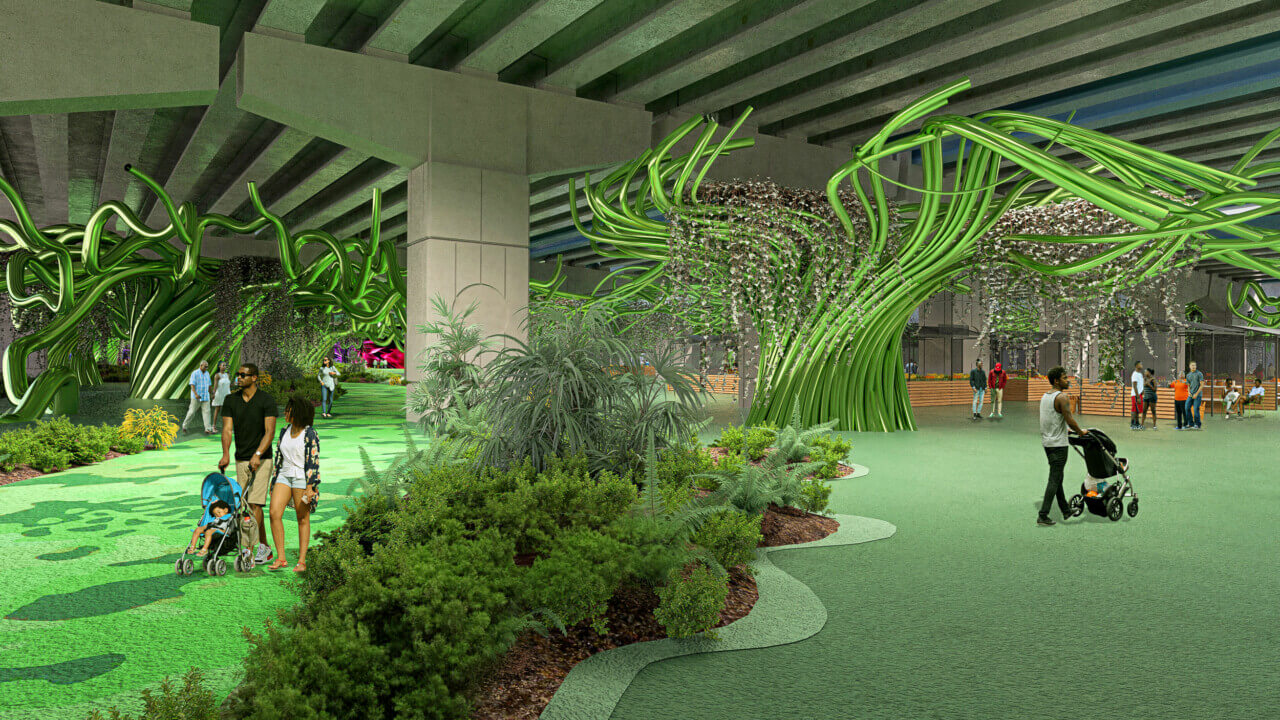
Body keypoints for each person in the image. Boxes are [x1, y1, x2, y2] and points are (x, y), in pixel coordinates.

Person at [219, 363, 278, 567]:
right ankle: (265, 546)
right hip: (241, 458)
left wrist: (258, 454)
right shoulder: (230, 400)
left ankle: (248, 551)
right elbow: (227, 430)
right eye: (238, 374)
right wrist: (226, 454)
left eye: (244, 375)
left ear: (254, 378)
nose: (239, 378)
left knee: (254, 504)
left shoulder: (266, 400)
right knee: (245, 505)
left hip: (262, 459)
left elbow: (270, 432)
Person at [268, 394, 320, 573]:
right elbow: (279, 458)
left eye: (288, 410)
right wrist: (273, 481)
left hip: (301, 478)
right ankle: (281, 558)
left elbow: (313, 460)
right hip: (284, 475)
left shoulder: (310, 433)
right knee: (274, 513)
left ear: (297, 412)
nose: (285, 413)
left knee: (302, 518)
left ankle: (302, 561)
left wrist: (310, 486)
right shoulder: (284, 431)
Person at [1039, 366, 1088, 526]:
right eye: (1065, 378)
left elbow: (1051, 419)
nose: (1068, 380)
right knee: (1054, 478)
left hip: (1047, 442)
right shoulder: (1062, 397)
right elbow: (1069, 419)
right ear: (1056, 381)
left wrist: (1064, 429)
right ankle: (1043, 514)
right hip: (1059, 445)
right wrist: (1080, 432)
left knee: (1057, 477)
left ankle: (1066, 511)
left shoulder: (1046, 397)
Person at [181, 360, 213, 435]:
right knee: (192, 412)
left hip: (205, 396)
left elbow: (209, 385)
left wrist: (211, 393)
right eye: (205, 366)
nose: (206, 368)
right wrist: (195, 394)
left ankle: (207, 429)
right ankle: (184, 426)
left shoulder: (207, 374)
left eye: (207, 367)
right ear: (201, 365)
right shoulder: (195, 373)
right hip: (197, 397)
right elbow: (192, 384)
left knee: (207, 412)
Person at [211, 361, 232, 428]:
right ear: (219, 366)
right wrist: (213, 394)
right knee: (217, 410)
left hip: (227, 395)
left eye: (225, 365)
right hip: (219, 394)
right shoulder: (217, 375)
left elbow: (228, 385)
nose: (224, 367)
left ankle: (227, 427)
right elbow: (215, 386)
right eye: (223, 365)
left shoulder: (227, 375)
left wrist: (235, 384)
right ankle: (214, 426)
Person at [1185, 361, 1204, 429]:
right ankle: (1190, 423)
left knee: (1196, 409)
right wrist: (1189, 392)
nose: (1194, 367)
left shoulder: (1199, 374)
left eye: (1195, 365)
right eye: (1192, 365)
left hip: (1197, 395)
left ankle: (1197, 424)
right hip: (1191, 395)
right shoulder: (1188, 375)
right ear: (1190, 366)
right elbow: (1188, 385)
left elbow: (1202, 385)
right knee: (1187, 408)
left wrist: (1196, 394)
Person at [1129, 361, 1145, 430]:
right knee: (1134, 409)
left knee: (1137, 410)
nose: (1141, 365)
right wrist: (1138, 397)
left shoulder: (1140, 374)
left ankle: (1137, 423)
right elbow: (1134, 386)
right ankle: (1133, 424)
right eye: (1140, 364)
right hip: (1135, 395)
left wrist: (1143, 391)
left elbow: (1140, 384)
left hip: (1139, 394)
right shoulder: (1135, 374)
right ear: (1136, 366)